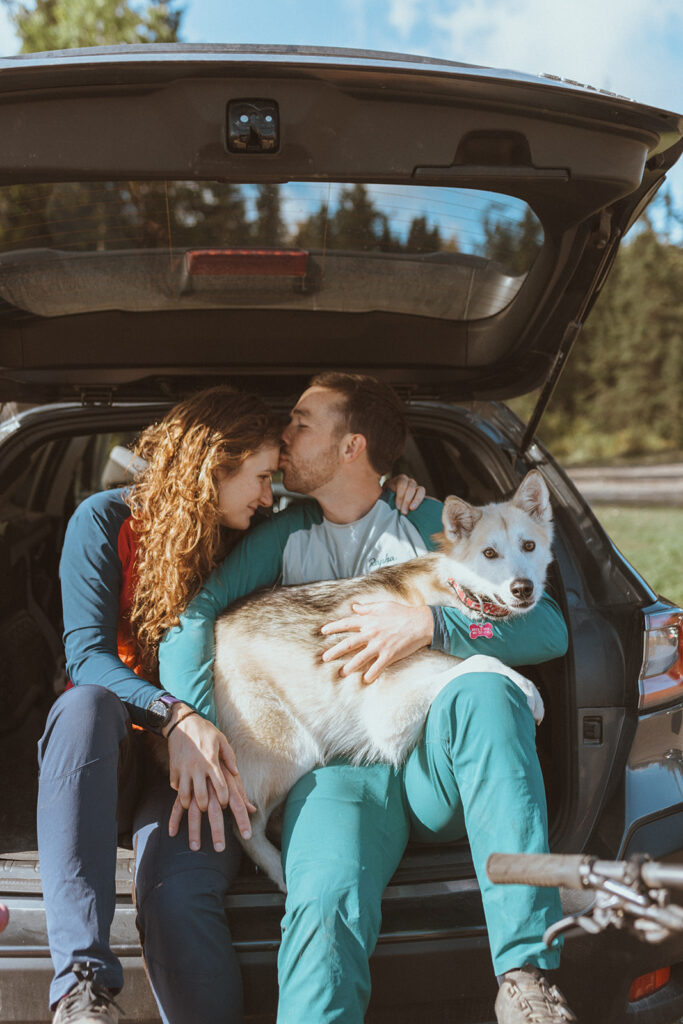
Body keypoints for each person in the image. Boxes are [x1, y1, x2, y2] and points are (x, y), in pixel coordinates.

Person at [158, 372, 576, 1024]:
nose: (284, 434)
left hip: (433, 768)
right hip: (339, 775)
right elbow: (191, 621)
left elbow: (546, 628)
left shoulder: (433, 519)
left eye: (300, 423)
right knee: (324, 902)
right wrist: (189, 721)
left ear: (351, 446)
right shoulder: (285, 534)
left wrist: (432, 625)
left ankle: (524, 976)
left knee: (490, 695)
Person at [39, 384, 421, 1024]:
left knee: (174, 895)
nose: (272, 495)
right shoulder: (104, 520)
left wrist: (398, 486)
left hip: (202, 762)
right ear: (214, 465)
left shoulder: (259, 535)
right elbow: (85, 657)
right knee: (86, 706)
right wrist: (176, 715)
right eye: (263, 477)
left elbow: (342, 508)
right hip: (111, 758)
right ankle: (81, 989)